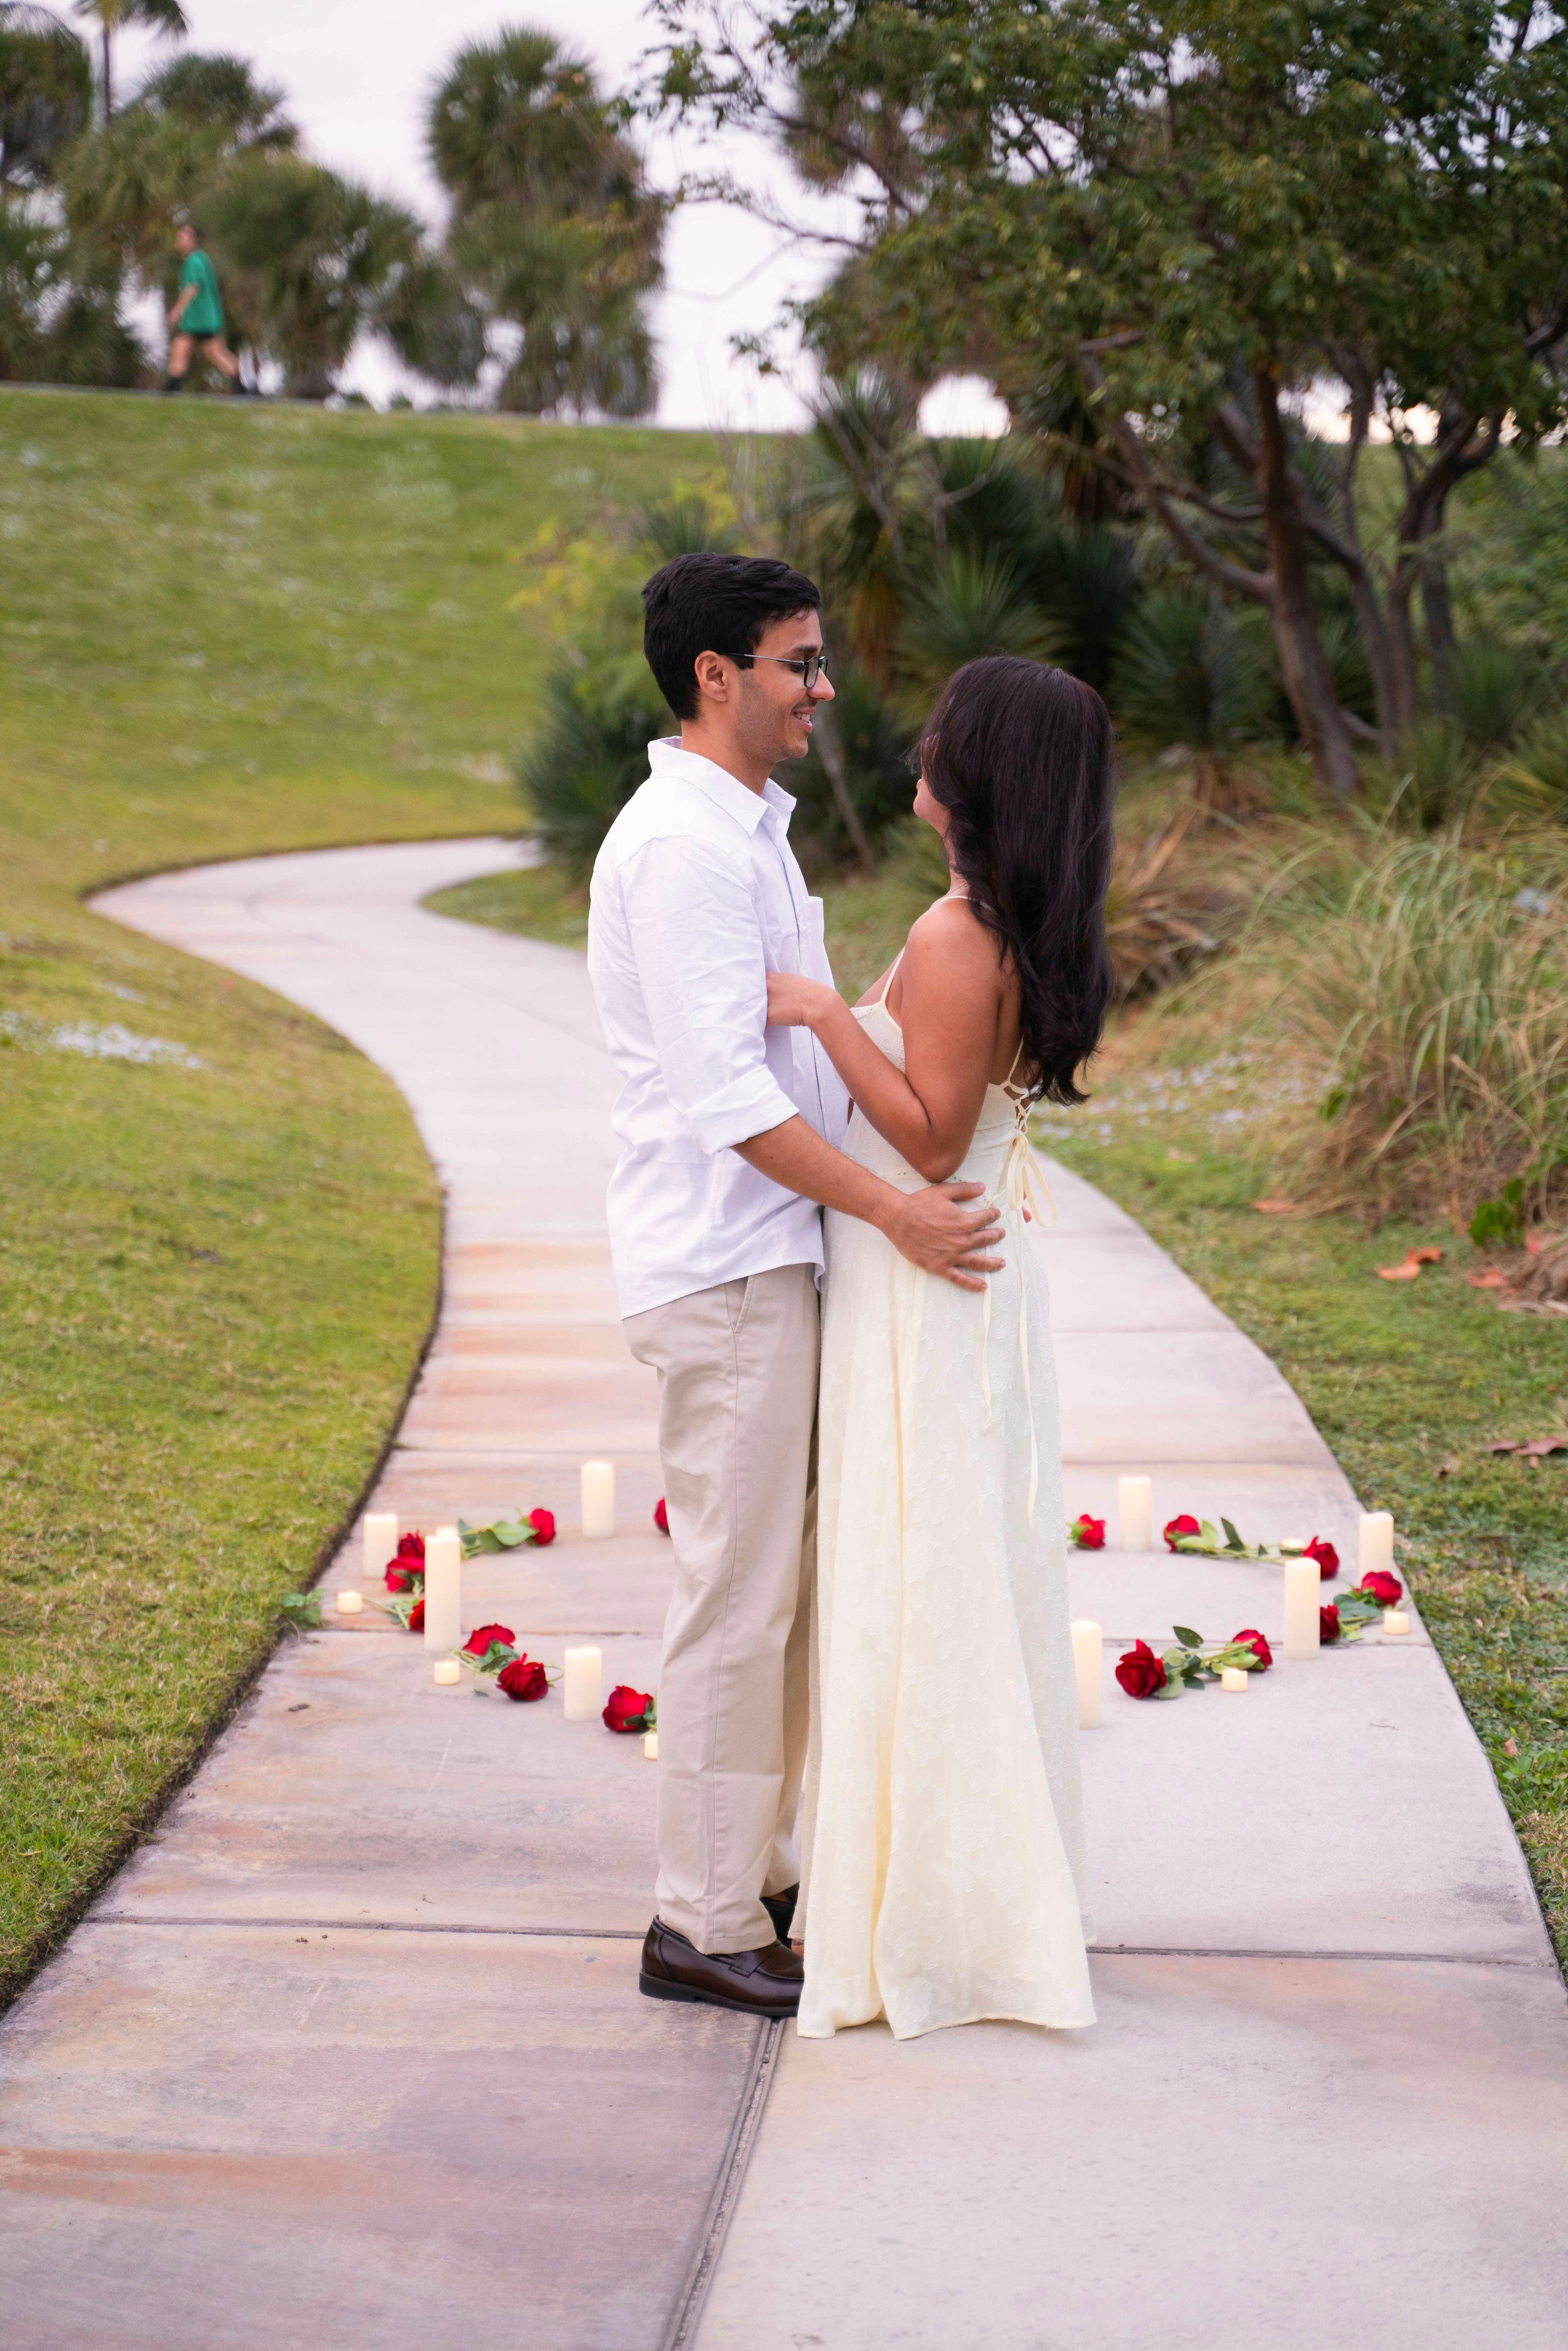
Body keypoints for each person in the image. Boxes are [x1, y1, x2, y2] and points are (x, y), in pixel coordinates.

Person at [588, 553, 1006, 2019]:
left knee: (776, 1593)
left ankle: (751, 1880)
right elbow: (726, 1099)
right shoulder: (684, 848)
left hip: (771, 1258)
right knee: (735, 1600)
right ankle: (698, 1920)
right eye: (799, 662)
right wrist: (897, 1210)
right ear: (717, 675)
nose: (823, 688)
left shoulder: (744, 833)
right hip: (724, 1263)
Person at [766, 654, 1114, 2039]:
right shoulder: (987, 923)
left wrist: (820, 1011)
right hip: (946, 1266)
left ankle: (938, 1912)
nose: (918, 746)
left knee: (926, 1568)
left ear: (983, 774)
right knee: (932, 1562)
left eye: (941, 734)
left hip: (930, 1273)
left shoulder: (963, 933)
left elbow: (924, 1134)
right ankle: (921, 1882)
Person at [163, 224, 249, 396]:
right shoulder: (200, 259)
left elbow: (192, 288)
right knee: (215, 353)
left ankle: (170, 390)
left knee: (182, 348)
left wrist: (176, 312)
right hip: (206, 319)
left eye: (183, 237)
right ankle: (242, 390)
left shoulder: (194, 261)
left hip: (200, 320)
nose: (179, 240)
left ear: (193, 240)